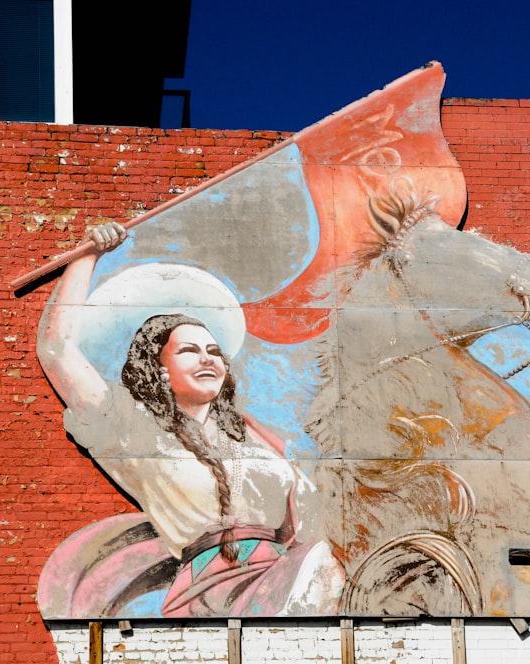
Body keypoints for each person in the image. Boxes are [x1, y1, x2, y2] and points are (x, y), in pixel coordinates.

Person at [37, 222, 344, 617]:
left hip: (290, 580)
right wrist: (85, 257)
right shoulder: (132, 428)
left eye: (214, 350)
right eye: (189, 350)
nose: (207, 358)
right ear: (158, 367)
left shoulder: (252, 437)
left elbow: (312, 519)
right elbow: (57, 350)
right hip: (213, 597)